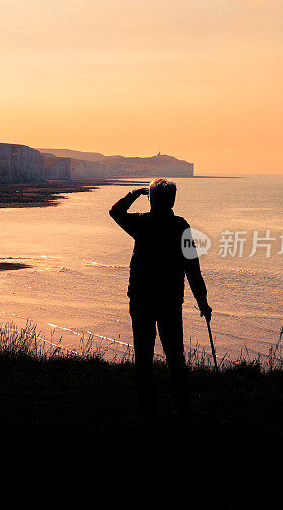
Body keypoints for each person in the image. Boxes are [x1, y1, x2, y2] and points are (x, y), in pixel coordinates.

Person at [109, 178, 211, 420]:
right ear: (173, 200)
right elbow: (193, 268)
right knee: (175, 356)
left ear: (152, 199)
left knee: (143, 357)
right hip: (169, 301)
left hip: (142, 299)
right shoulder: (181, 227)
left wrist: (136, 192)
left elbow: (116, 211)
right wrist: (202, 301)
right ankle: (180, 407)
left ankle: (147, 409)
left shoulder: (141, 223)